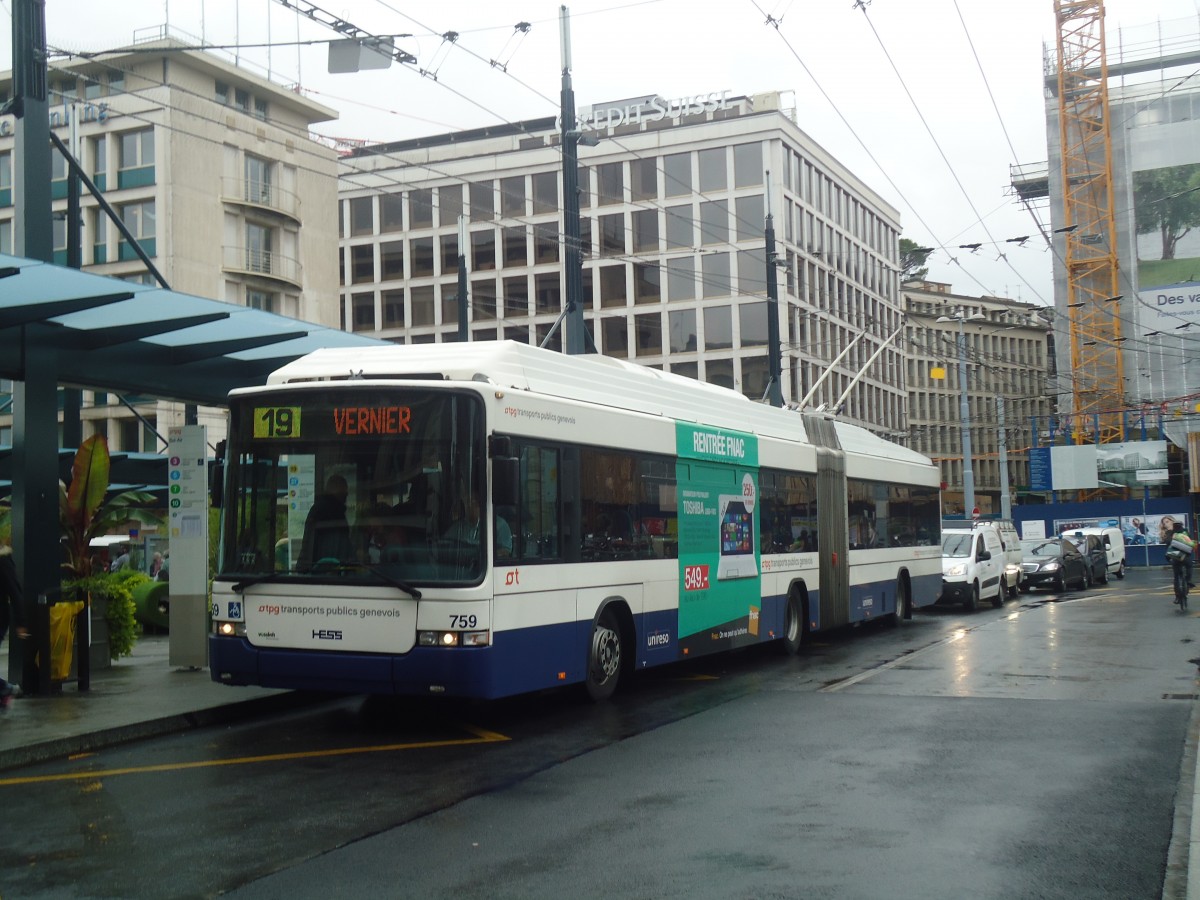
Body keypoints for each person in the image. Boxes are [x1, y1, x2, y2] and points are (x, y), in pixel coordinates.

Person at [298, 474, 353, 571]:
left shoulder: (318, 509)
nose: (346, 495)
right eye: (344, 491)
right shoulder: (333, 511)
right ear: (337, 490)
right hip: (328, 570)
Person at [443, 485, 513, 558]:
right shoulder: (459, 526)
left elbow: (505, 552)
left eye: (472, 502)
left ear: (481, 504)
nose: (468, 506)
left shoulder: (499, 525)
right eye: (466, 502)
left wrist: (479, 555)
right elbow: (444, 545)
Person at [0, 543, 29, 710]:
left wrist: (21, 622)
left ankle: (5, 689)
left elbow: (15, 591)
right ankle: (4, 694)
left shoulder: (3, 560)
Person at [1169, 521, 1196, 596]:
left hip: (1175, 556)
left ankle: (1177, 596)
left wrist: (1169, 558)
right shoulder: (1186, 532)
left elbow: (1168, 543)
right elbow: (1191, 543)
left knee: (1176, 576)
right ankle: (1188, 580)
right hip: (1185, 555)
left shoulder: (1171, 533)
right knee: (1189, 566)